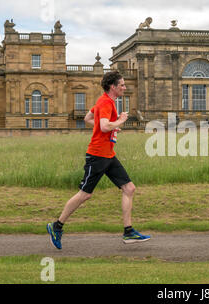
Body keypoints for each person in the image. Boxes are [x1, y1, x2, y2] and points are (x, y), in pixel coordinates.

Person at [47, 71, 150, 250]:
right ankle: (56, 226)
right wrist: (119, 122)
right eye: (122, 85)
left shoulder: (105, 102)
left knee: (129, 188)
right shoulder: (105, 102)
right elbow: (103, 126)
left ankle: (128, 231)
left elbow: (88, 119)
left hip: (108, 155)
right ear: (113, 87)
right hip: (97, 156)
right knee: (85, 194)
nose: (125, 88)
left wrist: (112, 128)